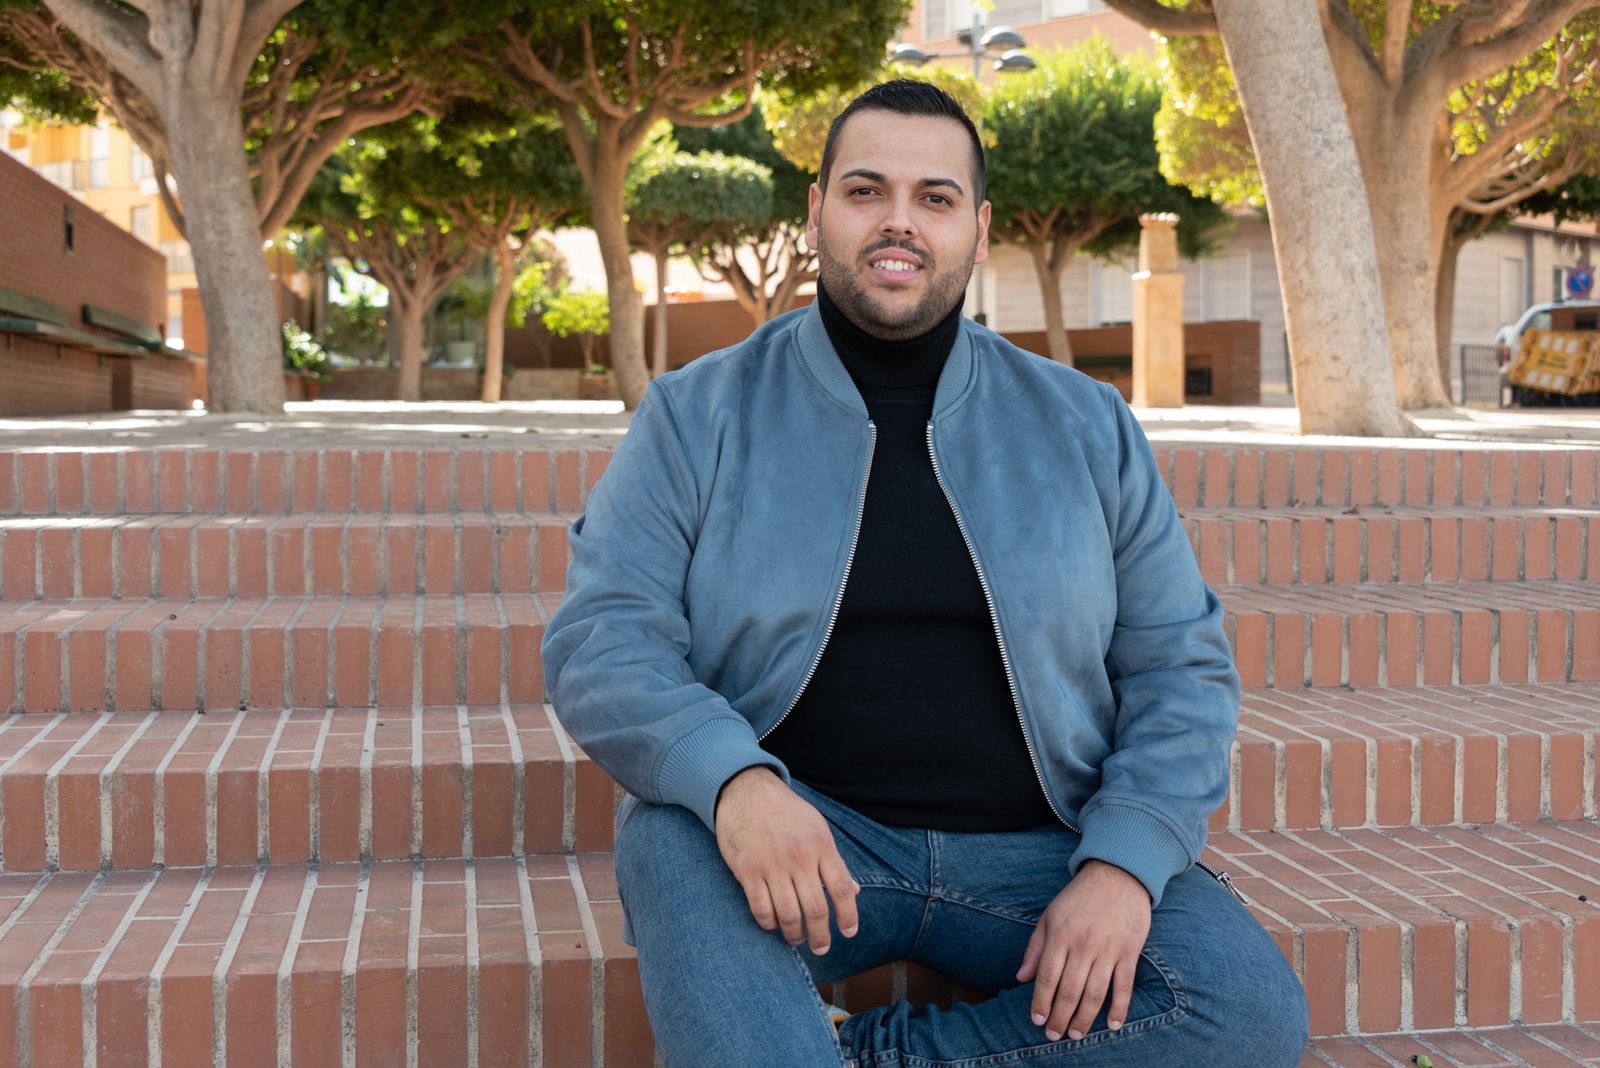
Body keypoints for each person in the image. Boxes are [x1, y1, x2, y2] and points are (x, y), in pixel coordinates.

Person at [540, 80, 1310, 1067]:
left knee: (1240, 1009)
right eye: (865, 191)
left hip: (1040, 851)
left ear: (978, 230)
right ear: (816, 210)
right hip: (806, 835)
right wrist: (734, 783)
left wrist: (1122, 866)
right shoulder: (699, 413)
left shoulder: (1085, 426)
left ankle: (867, 1058)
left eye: (934, 198)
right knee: (670, 840)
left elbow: (1178, 668)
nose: (898, 220)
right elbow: (603, 637)